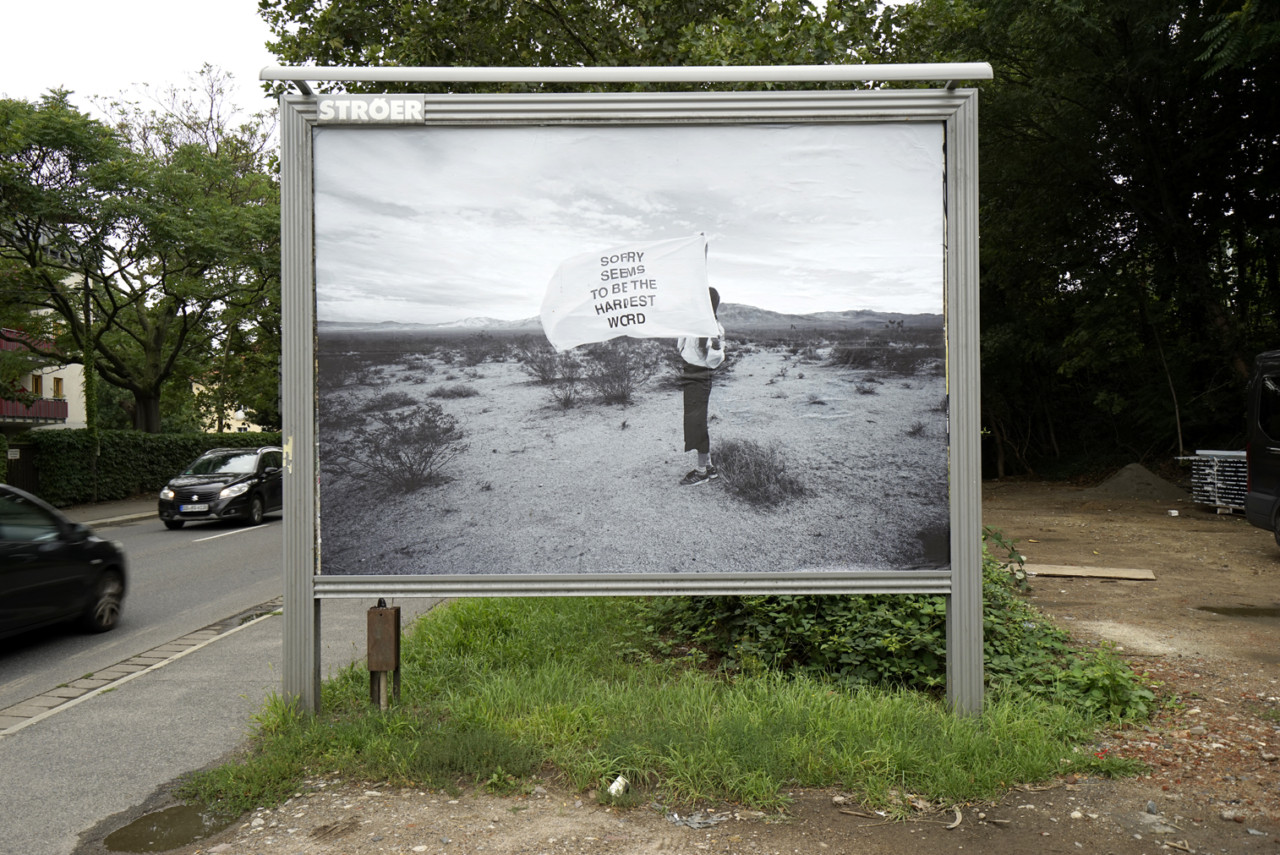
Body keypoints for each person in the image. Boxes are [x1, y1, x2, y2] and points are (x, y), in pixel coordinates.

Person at [677, 286, 726, 486]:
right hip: (689, 374)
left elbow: (716, 360)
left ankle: (701, 471)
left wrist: (715, 345)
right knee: (694, 421)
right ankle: (709, 466)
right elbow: (681, 346)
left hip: (700, 377)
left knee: (696, 423)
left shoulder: (714, 328)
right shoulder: (692, 324)